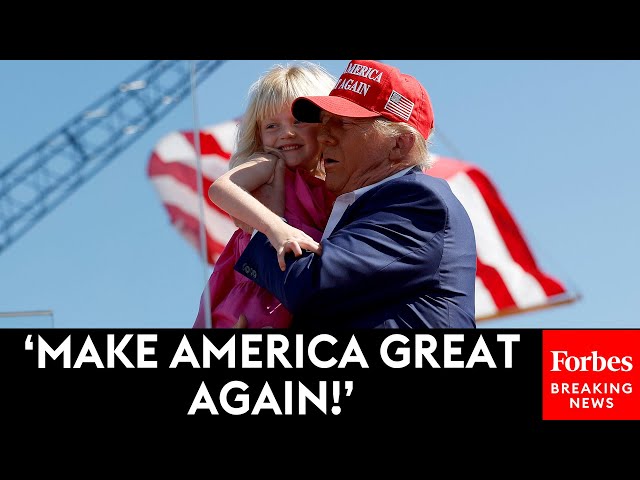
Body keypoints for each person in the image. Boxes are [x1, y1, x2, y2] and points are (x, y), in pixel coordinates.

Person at [234, 60, 477, 329]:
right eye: (325, 123)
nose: (324, 137)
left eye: (344, 124)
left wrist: (262, 223)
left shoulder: (418, 199)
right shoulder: (348, 211)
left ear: (399, 144)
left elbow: (312, 284)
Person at [193, 62, 337, 329]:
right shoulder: (270, 164)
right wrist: (276, 228)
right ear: (258, 134)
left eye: (298, 120)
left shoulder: (331, 187)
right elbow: (222, 189)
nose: (286, 133)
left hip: (295, 298)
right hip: (253, 300)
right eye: (272, 126)